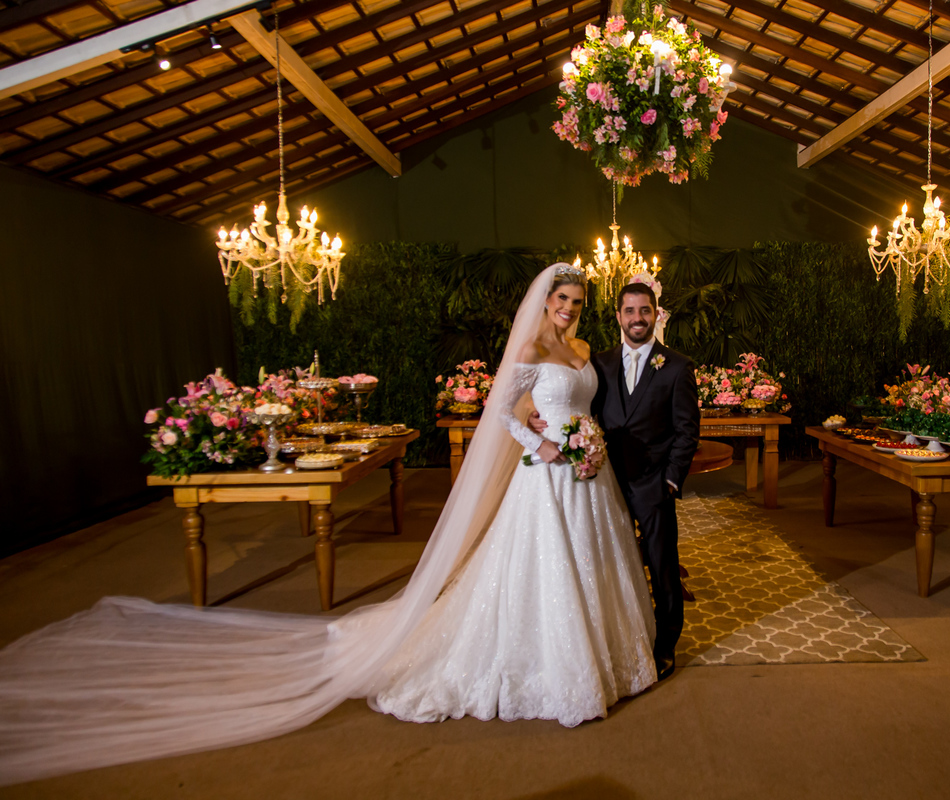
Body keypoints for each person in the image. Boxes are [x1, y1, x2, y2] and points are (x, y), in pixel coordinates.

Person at [0, 264, 655, 786]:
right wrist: (537, 441)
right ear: (544, 303)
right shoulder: (533, 346)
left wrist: (581, 442)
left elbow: (573, 404)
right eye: (561, 300)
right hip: (545, 478)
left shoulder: (583, 347)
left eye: (576, 300)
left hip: (586, 474)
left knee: (594, 565)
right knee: (546, 570)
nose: (568, 308)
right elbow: (503, 414)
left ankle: (604, 655)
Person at [532, 281, 700, 678]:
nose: (637, 318)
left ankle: (666, 645)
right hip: (601, 482)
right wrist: (531, 418)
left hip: (654, 484)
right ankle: (621, 637)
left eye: (645, 311)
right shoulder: (600, 363)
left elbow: (687, 431)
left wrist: (671, 482)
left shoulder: (677, 366)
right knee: (609, 565)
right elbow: (574, 405)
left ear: (655, 315)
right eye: (630, 311)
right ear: (619, 315)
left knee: (662, 568)